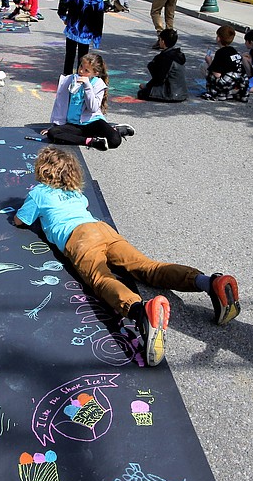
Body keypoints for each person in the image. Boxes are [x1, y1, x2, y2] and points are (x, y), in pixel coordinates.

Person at [15, 148, 240, 367]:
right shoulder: (76, 193)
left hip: (79, 238)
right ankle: (209, 282)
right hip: (102, 229)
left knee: (101, 279)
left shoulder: (39, 193)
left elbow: (21, 221)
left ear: (42, 170)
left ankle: (141, 312)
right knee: (147, 267)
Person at [43, 52, 132, 151]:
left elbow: (93, 108)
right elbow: (60, 104)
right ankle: (91, 141)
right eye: (81, 66)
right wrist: (55, 125)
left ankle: (115, 130)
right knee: (52, 133)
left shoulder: (98, 84)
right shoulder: (69, 80)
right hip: (74, 125)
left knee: (114, 141)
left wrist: (87, 87)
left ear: (95, 73)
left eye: (86, 70)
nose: (81, 71)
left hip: (92, 122)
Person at [58, 0, 106, 77]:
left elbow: (62, 2)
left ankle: (67, 76)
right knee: (83, 57)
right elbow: (99, 21)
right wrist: (97, 37)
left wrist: (64, 17)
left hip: (72, 30)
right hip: (86, 33)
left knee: (69, 55)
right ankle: (81, 78)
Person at [138, 28, 189, 102]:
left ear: (163, 41)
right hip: (182, 92)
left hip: (172, 94)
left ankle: (152, 90)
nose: (159, 42)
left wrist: (148, 87)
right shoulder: (177, 54)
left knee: (141, 94)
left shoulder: (166, 58)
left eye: (160, 40)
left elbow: (160, 79)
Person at [202, 25, 251, 101]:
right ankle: (233, 92)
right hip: (238, 83)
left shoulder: (220, 53)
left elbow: (216, 74)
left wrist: (209, 61)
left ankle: (216, 91)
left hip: (226, 85)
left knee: (204, 66)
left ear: (218, 38)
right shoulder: (233, 50)